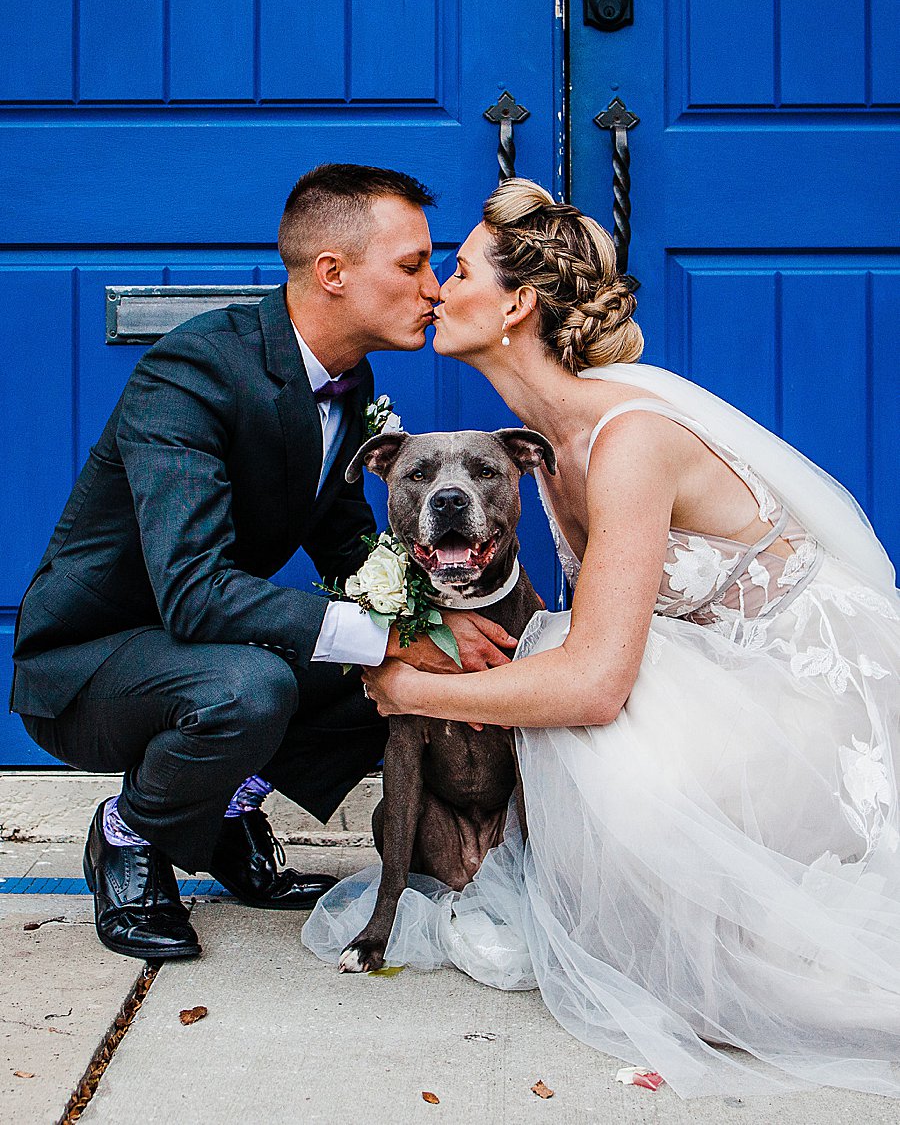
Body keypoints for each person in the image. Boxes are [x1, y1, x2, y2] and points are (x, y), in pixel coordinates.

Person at [304, 177, 900, 1100]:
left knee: (591, 726)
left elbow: (594, 683)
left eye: (454, 272)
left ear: (516, 306)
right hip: (713, 676)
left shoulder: (627, 438)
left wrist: (412, 688)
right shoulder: (546, 446)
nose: (432, 289)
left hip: (807, 700)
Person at [10, 163, 516, 963]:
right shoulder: (192, 372)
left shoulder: (351, 380)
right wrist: (392, 637)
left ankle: (226, 807)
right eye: (413, 264)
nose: (434, 288)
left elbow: (350, 548)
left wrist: (444, 624)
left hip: (204, 643)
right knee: (258, 685)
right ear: (333, 273)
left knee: (393, 668)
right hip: (92, 663)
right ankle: (130, 834)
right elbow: (193, 592)